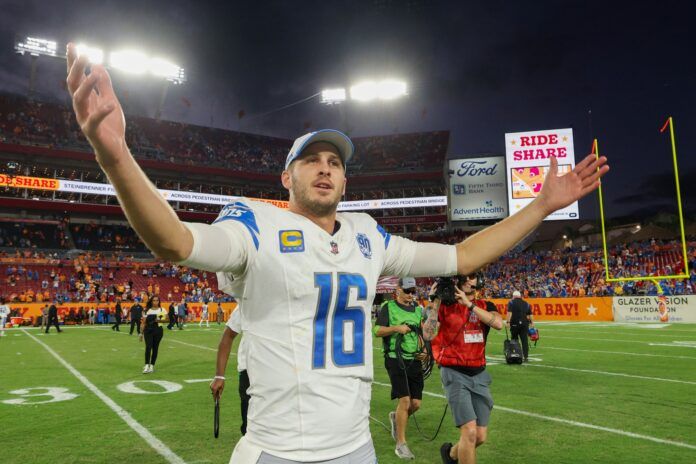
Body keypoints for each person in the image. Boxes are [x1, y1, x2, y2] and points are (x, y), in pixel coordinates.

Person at [64, 43, 608, 463]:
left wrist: (540, 207)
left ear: (345, 180)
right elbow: (175, 241)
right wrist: (114, 155)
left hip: (354, 448)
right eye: (311, 159)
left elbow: (462, 257)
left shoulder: (368, 235)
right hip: (278, 450)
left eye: (335, 161)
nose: (325, 166)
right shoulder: (254, 223)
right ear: (287, 176)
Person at [423, 275, 503, 464]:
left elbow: (499, 324)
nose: (468, 281)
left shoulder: (485, 305)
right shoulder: (444, 305)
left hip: (479, 374)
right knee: (469, 432)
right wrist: (434, 302)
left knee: (480, 436)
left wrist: (469, 305)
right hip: (454, 372)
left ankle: (450, 454)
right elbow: (428, 334)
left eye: (472, 277)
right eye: (464, 278)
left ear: (479, 281)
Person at [374, 277, 426, 459]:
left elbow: (421, 334)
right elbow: (377, 331)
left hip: (414, 360)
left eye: (413, 291)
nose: (411, 295)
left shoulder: (418, 310)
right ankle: (401, 444)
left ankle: (396, 418)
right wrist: (396, 328)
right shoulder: (389, 307)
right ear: (398, 290)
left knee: (415, 404)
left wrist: (423, 350)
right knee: (404, 401)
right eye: (408, 291)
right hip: (395, 359)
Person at [210, 308, 250, 435]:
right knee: (250, 428)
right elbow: (228, 335)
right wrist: (219, 376)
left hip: (282, 372)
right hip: (250, 372)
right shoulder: (248, 300)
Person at [139, 295, 167, 374]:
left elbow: (167, 319)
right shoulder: (147, 310)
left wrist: (159, 320)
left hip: (158, 330)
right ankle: (146, 365)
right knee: (148, 347)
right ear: (151, 301)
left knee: (155, 348)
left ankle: (152, 365)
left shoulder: (162, 310)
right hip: (148, 330)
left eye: (157, 300)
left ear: (159, 301)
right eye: (154, 300)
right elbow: (143, 322)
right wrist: (141, 333)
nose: (155, 302)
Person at [506, 290, 533, 362]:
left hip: (514, 323)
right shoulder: (526, 303)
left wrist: (508, 322)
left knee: (514, 340)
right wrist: (532, 323)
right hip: (524, 324)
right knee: (524, 340)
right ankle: (526, 356)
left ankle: (515, 354)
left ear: (514, 296)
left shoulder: (511, 302)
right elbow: (530, 314)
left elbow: (509, 313)